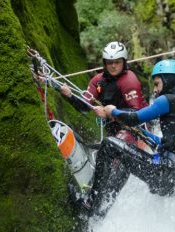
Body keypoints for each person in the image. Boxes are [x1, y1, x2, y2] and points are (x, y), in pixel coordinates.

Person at [78, 59, 175, 216]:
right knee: (124, 159)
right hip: (174, 178)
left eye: (156, 84)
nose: (155, 90)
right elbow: (169, 144)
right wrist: (139, 132)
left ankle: (91, 202)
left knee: (110, 144)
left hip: (162, 171)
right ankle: (103, 210)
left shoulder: (167, 100)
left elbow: (134, 117)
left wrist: (112, 111)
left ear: (168, 80)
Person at [61, 41, 149, 209]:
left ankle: (96, 204)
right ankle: (98, 202)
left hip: (135, 131)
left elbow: (136, 115)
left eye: (117, 62)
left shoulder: (129, 80)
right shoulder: (97, 81)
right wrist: (70, 96)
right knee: (108, 157)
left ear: (124, 62)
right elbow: (85, 106)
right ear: (104, 63)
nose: (114, 66)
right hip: (114, 132)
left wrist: (111, 112)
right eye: (110, 62)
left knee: (115, 162)